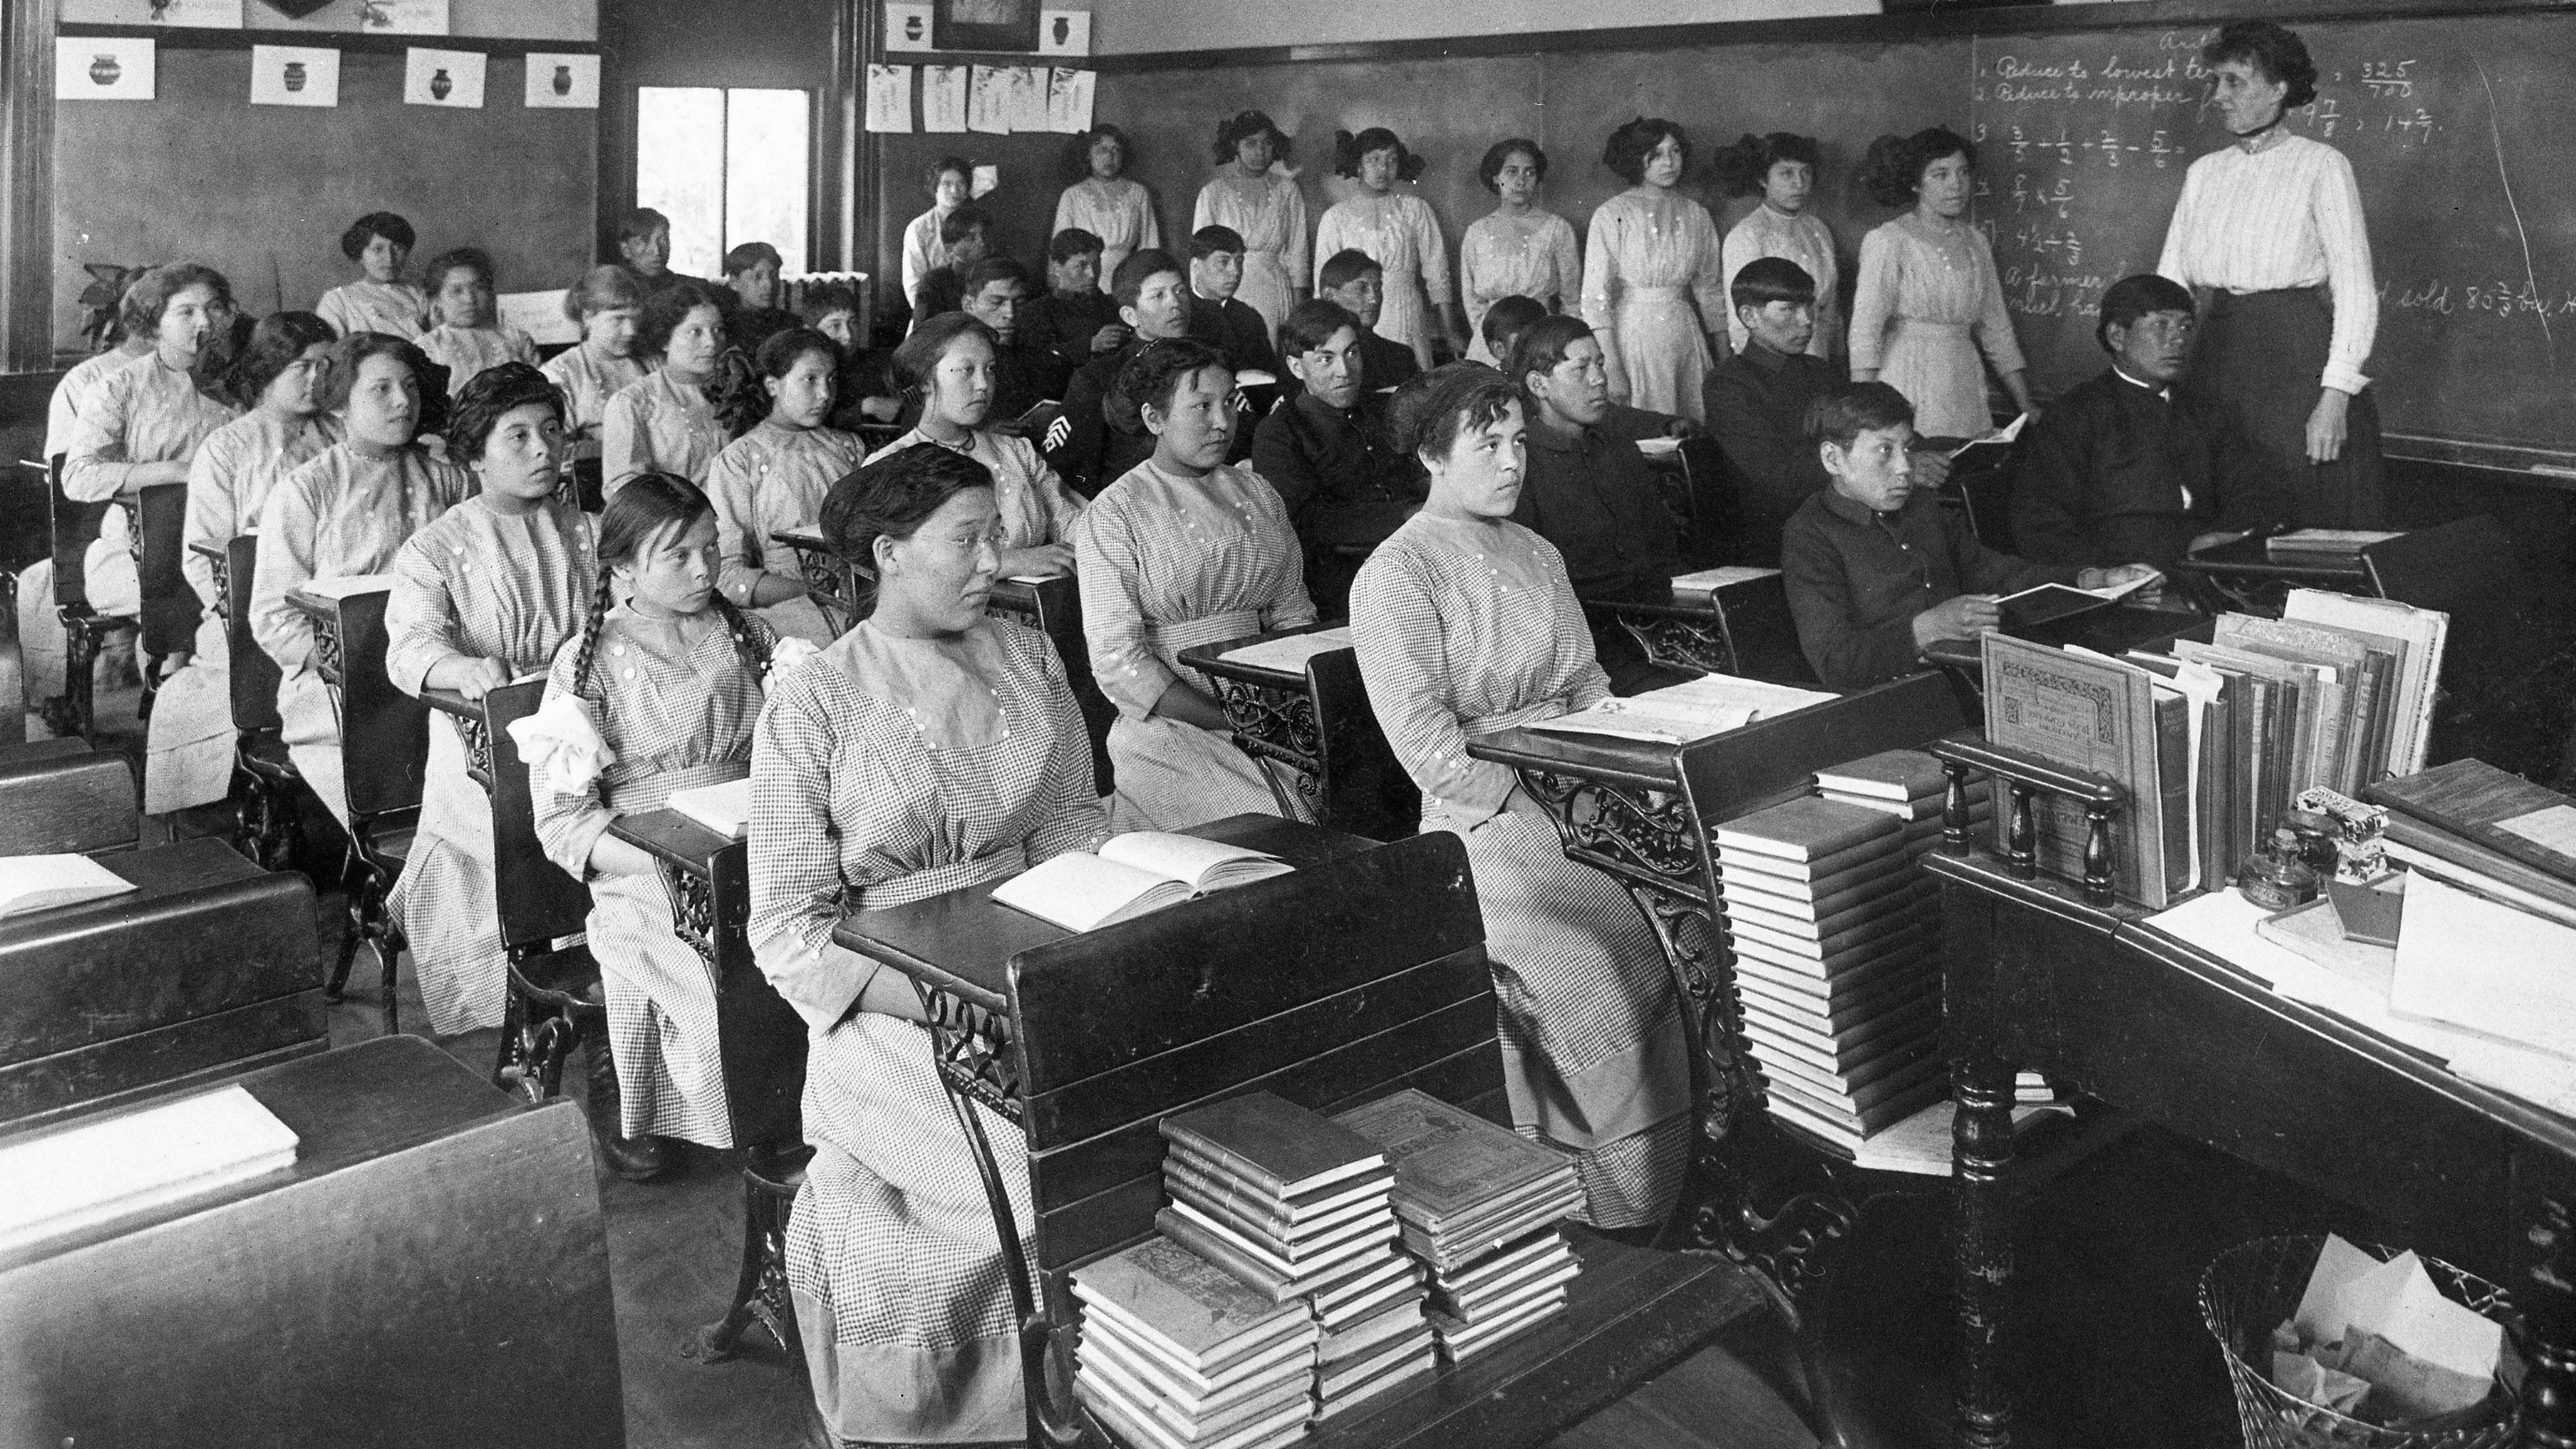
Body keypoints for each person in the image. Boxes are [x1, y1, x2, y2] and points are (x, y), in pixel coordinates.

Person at [749, 442, 1107, 1443]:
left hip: (1042, 955)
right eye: (970, 539)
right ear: (889, 551)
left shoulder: (1028, 654)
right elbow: (786, 926)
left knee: (1145, 1138)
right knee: (1037, 1184)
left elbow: (1075, 817)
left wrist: (1077, 927)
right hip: (894, 1007)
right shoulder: (814, 700)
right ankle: (1012, 1410)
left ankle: (1127, 1398)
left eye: (997, 532)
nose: (997, 558)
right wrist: (952, 993)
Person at [1350, 365, 1688, 1232]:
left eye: (1517, 443)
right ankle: (1620, 1199)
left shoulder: (1539, 552)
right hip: (1483, 824)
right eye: (1486, 445)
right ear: (1433, 455)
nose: (1511, 463)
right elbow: (1427, 745)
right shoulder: (1398, 572)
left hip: (1582, 796)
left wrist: (1608, 776)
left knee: (1688, 922)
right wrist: (1541, 790)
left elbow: (1588, 686)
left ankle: (1703, 1163)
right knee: (1599, 960)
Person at [534, 473, 792, 1181]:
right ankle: (628, 1079)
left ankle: (799, 1116)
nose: (705, 569)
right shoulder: (587, 662)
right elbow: (564, 821)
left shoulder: (749, 635)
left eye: (711, 549)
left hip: (755, 839)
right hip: (645, 863)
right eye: (677, 555)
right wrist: (674, 861)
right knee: (715, 995)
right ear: (621, 569)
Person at [383, 363, 597, 1041]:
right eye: (518, 436)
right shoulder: (436, 547)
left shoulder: (589, 529)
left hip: (594, 724)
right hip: (493, 741)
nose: (543, 449)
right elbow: (408, 646)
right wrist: (459, 665)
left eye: (552, 430)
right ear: (474, 455)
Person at [1072, 339, 1316, 830]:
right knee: (1278, 825)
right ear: (1154, 417)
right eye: (1201, 406)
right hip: (1169, 727)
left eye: (1229, 402)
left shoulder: (1258, 493)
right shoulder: (1114, 513)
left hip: (1274, 712)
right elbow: (1119, 662)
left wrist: (1281, 709)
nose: (1223, 422)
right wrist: (1230, 720)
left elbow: (1294, 617)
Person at [1782, 382, 2157, 689]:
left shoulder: (1921, 505)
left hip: (1969, 682)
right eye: (1885, 450)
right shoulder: (1810, 535)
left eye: (1908, 449)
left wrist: (2093, 580)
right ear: (1833, 459)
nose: (1904, 468)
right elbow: (1835, 663)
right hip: (1892, 702)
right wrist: (1924, 631)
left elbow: (1996, 573)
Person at [2158, 20, 2384, 528]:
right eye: (2216, 82)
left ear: (2279, 89)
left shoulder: (2322, 165)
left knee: (2302, 508)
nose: (2219, 95)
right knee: (2220, 508)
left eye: (2234, 81)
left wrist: (2335, 398)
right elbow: (2168, 287)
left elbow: (2356, 290)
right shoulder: (2203, 173)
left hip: (2296, 367)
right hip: (2213, 362)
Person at [250, 333, 469, 823]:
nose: (402, 402)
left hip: (436, 672)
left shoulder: (448, 478)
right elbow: (272, 618)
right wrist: (359, 666)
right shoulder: (305, 490)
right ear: (341, 405)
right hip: (338, 686)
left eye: (411, 387)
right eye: (381, 389)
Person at [150, 311, 338, 815]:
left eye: (326, 367)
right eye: (302, 367)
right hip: (247, 612)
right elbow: (201, 557)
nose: (316, 381)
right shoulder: (228, 448)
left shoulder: (341, 439)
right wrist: (245, 613)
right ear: (268, 369)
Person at [64, 262, 242, 741]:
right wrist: (174, 473)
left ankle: (223, 721)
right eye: (185, 312)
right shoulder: (120, 387)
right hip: (136, 550)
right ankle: (178, 692)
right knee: (213, 600)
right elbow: (77, 476)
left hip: (223, 540)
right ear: (153, 320)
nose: (203, 323)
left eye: (213, 309)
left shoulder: (240, 384)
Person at [2010, 274, 2286, 574]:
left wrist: (2223, 535)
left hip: (2205, 573)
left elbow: (2253, 488)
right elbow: (2042, 524)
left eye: (2185, 326)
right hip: (2121, 582)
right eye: (2162, 325)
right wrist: (2108, 576)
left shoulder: (2207, 412)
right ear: (2118, 337)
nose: (2178, 339)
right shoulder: (2074, 415)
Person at [1506, 316, 1693, 695]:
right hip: (1585, 641)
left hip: (1656, 621)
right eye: (1581, 368)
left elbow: (1661, 549)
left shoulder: (1618, 446)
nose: (1599, 379)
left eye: (1601, 364)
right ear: (1538, 384)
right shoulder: (1522, 464)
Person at [1703, 258, 1890, 566]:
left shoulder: (1821, 372)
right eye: (1788, 310)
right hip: (1776, 535)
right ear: (1749, 316)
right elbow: (1779, 477)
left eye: (1809, 307)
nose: (1806, 321)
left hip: (1834, 519)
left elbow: (1870, 427)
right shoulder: (1729, 384)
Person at [869, 313, 1084, 580]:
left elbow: (1070, 522)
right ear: (925, 380)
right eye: (966, 370)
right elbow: (905, 564)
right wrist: (1011, 561)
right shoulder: (890, 464)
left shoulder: (1017, 452)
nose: (983, 385)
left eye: (990, 369)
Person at [1850, 127, 2031, 442]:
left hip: (1963, 381)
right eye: (1940, 175)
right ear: (1915, 183)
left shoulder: (1975, 242)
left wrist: (2025, 403)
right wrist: (1862, 413)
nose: (1956, 185)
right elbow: (1866, 330)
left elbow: (1996, 328)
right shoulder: (1889, 240)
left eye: (1963, 173)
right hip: (1907, 377)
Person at [1251, 299, 1421, 614]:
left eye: (1352, 353)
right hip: (1341, 587)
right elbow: (1311, 522)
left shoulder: (1382, 410)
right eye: (1325, 359)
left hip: (1414, 562)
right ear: (1296, 367)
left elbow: (1418, 476)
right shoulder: (1279, 433)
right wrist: (1407, 516)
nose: (1344, 371)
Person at [705, 327, 869, 645]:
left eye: (831, 380)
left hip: (862, 598)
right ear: (772, 385)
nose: (824, 394)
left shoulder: (849, 448)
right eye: (810, 380)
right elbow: (728, 575)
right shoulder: (739, 461)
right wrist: (817, 593)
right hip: (786, 612)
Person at [1582, 117, 1726, 422]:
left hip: (1683, 331)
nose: (1669, 162)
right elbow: (1595, 298)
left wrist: (1724, 356)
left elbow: (1711, 290)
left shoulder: (1696, 215)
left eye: (1675, 152)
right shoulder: (1613, 214)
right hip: (1634, 333)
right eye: (1657, 154)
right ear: (1637, 160)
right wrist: (1611, 367)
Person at [1312, 127, 1461, 370]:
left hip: (1407, 312)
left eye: (1391, 160)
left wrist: (1450, 330)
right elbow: (1323, 284)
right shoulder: (1336, 217)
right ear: (1358, 165)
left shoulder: (1415, 209)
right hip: (1355, 317)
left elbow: (1437, 273)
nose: (1383, 168)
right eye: (1374, 160)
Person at [1048, 249, 1193, 497]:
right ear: (1130, 315)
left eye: (1180, 291)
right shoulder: (1098, 377)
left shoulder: (1210, 364)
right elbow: (1071, 470)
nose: (1175, 303)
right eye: (1158, 296)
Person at [1714, 131, 1840, 362]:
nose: (1799, 183)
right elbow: (1740, 320)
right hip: (1772, 366)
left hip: (1818, 357)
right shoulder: (1747, 235)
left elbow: (1830, 310)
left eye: (1805, 172)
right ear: (1763, 180)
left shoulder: (1818, 230)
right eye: (1786, 173)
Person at [1459, 139, 1583, 366]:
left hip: (1541, 338)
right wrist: (1487, 335)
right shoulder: (1477, 232)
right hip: (1490, 341)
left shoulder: (1557, 228)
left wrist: (1561, 343)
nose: (1520, 181)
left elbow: (1571, 300)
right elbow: (1472, 299)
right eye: (1512, 171)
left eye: (1530, 173)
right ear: (1496, 177)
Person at [1192, 110, 1308, 343]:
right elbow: (1199, 258)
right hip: (1228, 290)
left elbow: (1298, 254)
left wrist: (1299, 313)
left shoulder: (1288, 191)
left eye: (1266, 144)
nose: (1259, 152)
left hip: (1275, 292)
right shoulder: (1213, 193)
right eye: (1250, 144)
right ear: (1236, 146)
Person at [602, 281, 729, 494]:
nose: (712, 342)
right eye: (695, 332)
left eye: (718, 330)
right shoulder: (633, 403)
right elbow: (623, 488)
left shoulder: (733, 393)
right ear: (665, 340)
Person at [542, 264, 650, 466]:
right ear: (588, 316)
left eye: (635, 319)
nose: (631, 331)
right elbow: (554, 450)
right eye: (619, 319)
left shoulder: (650, 364)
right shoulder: (561, 373)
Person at [955, 256, 1071, 427]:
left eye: (1019, 302)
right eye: (997, 302)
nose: (1010, 313)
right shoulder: (946, 359)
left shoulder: (1041, 359)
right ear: (968, 305)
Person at [415, 246, 540, 398]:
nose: (470, 300)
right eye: (457, 291)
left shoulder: (517, 338)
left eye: (479, 288)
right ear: (437, 300)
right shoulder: (427, 347)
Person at [1052, 122, 1160, 290]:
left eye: (1116, 150)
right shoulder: (1072, 195)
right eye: (1102, 150)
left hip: (1128, 279)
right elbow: (1060, 250)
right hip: (1085, 277)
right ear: (1088, 155)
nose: (1110, 157)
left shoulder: (1138, 193)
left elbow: (1150, 245)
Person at [1021, 227, 1128, 378]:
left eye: (1096, 264)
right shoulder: (1037, 311)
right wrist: (1090, 345)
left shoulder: (1114, 305)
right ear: (1057, 268)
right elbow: (1037, 361)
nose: (1092, 274)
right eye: (1080, 266)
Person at [1183, 225, 1282, 378]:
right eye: (1223, 261)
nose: (1235, 271)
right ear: (1196, 265)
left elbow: (1271, 375)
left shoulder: (1248, 317)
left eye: (1239, 261)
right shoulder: (1181, 316)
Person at [1317, 249, 1421, 394]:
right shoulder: (1312, 358)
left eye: (1377, 288)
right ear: (1329, 296)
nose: (1374, 299)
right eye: (1362, 288)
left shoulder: (1400, 357)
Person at [316, 212, 428, 340]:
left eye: (397, 248)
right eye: (378, 249)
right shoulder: (337, 301)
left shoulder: (419, 294)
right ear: (360, 254)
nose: (389, 259)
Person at [901, 155, 974, 309]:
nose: (954, 190)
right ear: (935, 188)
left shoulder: (977, 224)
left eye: (961, 183)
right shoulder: (918, 228)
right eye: (947, 184)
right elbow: (913, 284)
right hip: (931, 310)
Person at [909, 205, 993, 327]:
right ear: (950, 249)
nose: (982, 243)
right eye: (971, 238)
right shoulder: (934, 282)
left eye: (984, 235)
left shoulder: (1000, 275)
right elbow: (924, 333)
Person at [617, 206, 715, 303]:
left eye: (663, 240)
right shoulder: (617, 291)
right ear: (626, 250)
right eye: (643, 242)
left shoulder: (697, 288)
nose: (657, 251)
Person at [721, 241, 799, 354]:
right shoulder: (725, 327)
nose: (769, 284)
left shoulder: (793, 325)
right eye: (757, 277)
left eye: (773, 275)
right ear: (734, 282)